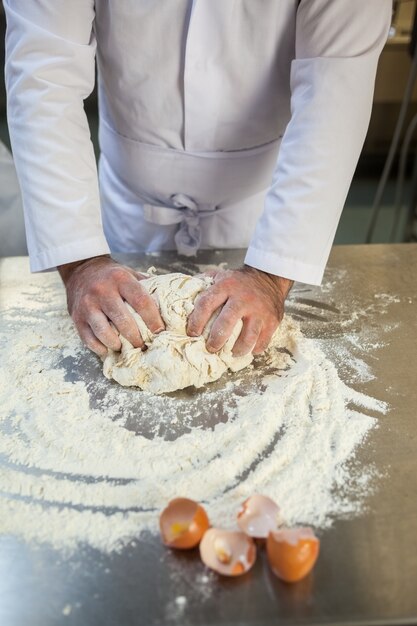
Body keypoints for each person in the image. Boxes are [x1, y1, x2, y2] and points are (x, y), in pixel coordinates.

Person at [4, 0, 391, 359]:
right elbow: (44, 75)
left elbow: (334, 90)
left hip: (264, 212)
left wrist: (272, 275)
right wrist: (81, 262)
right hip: (128, 207)